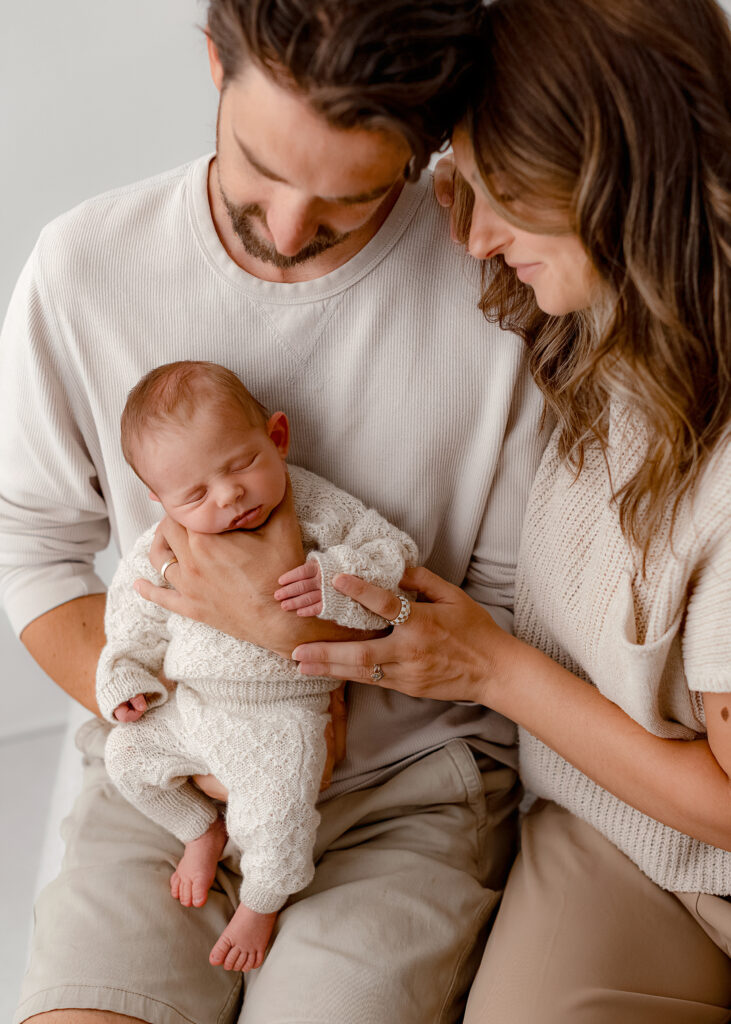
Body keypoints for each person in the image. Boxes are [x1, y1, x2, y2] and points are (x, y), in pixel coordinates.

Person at [0, 2, 547, 1022]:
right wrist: (181, 734)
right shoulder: (82, 271)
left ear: (426, 144)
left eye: (349, 195)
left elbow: (515, 612)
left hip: (405, 792)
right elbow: (28, 544)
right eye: (260, 166)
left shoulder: (498, 286)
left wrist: (284, 633)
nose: (289, 230)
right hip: (171, 774)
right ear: (213, 60)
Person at [288, 0, 731, 1019]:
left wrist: (488, 666)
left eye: (505, 199)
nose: (477, 236)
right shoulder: (595, 304)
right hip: (618, 844)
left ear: (613, 178)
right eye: (468, 187)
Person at [99, 359, 417, 973]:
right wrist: (125, 679)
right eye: (194, 494)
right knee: (126, 755)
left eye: (241, 464)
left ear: (276, 437)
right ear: (161, 500)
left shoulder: (313, 503)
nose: (228, 496)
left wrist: (333, 581)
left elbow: (395, 554)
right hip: (193, 707)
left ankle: (263, 902)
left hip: (284, 712)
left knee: (279, 811)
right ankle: (199, 829)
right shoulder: (163, 543)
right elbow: (131, 619)